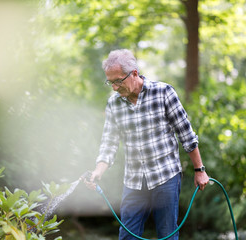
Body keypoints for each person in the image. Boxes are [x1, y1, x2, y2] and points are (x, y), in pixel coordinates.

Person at [86, 49, 209, 240]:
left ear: (134, 73)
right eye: (110, 82)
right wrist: (98, 171)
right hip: (134, 181)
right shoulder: (113, 105)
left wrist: (199, 169)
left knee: (167, 235)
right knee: (127, 236)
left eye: (118, 81)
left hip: (166, 176)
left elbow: (186, 134)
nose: (115, 88)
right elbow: (109, 144)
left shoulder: (164, 93)